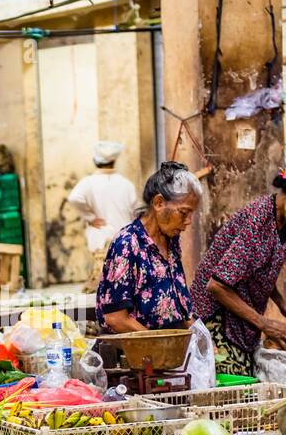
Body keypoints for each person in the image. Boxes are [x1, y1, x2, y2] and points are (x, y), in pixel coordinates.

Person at [192, 165, 286, 374]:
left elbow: (259, 271)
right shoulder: (257, 223)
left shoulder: (283, 224)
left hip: (240, 319)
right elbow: (217, 286)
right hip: (216, 320)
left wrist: (282, 303)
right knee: (236, 386)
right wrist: (264, 323)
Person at [96, 161, 202, 333]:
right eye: (183, 213)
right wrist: (160, 346)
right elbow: (116, 319)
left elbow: (180, 307)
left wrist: (201, 338)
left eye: (191, 214)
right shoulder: (127, 244)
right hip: (138, 351)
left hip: (170, 345)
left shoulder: (172, 241)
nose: (188, 221)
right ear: (159, 203)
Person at [66, 141, 137, 282]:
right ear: (114, 161)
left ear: (95, 161)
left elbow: (74, 198)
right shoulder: (126, 184)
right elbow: (136, 211)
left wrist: (90, 217)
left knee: (105, 281)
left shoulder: (88, 182)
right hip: (126, 239)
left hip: (102, 240)